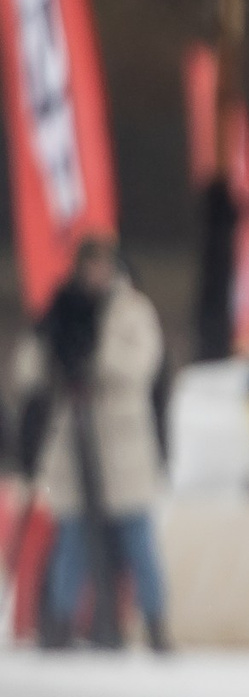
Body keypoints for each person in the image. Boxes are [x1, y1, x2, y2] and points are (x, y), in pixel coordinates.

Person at [10, 238, 172, 651]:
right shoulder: (62, 308)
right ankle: (61, 623)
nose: (96, 275)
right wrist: (54, 363)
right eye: (90, 266)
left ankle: (155, 625)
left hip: (122, 442)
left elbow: (142, 364)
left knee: (137, 538)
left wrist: (94, 362)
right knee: (73, 537)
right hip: (74, 441)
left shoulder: (132, 311)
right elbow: (27, 367)